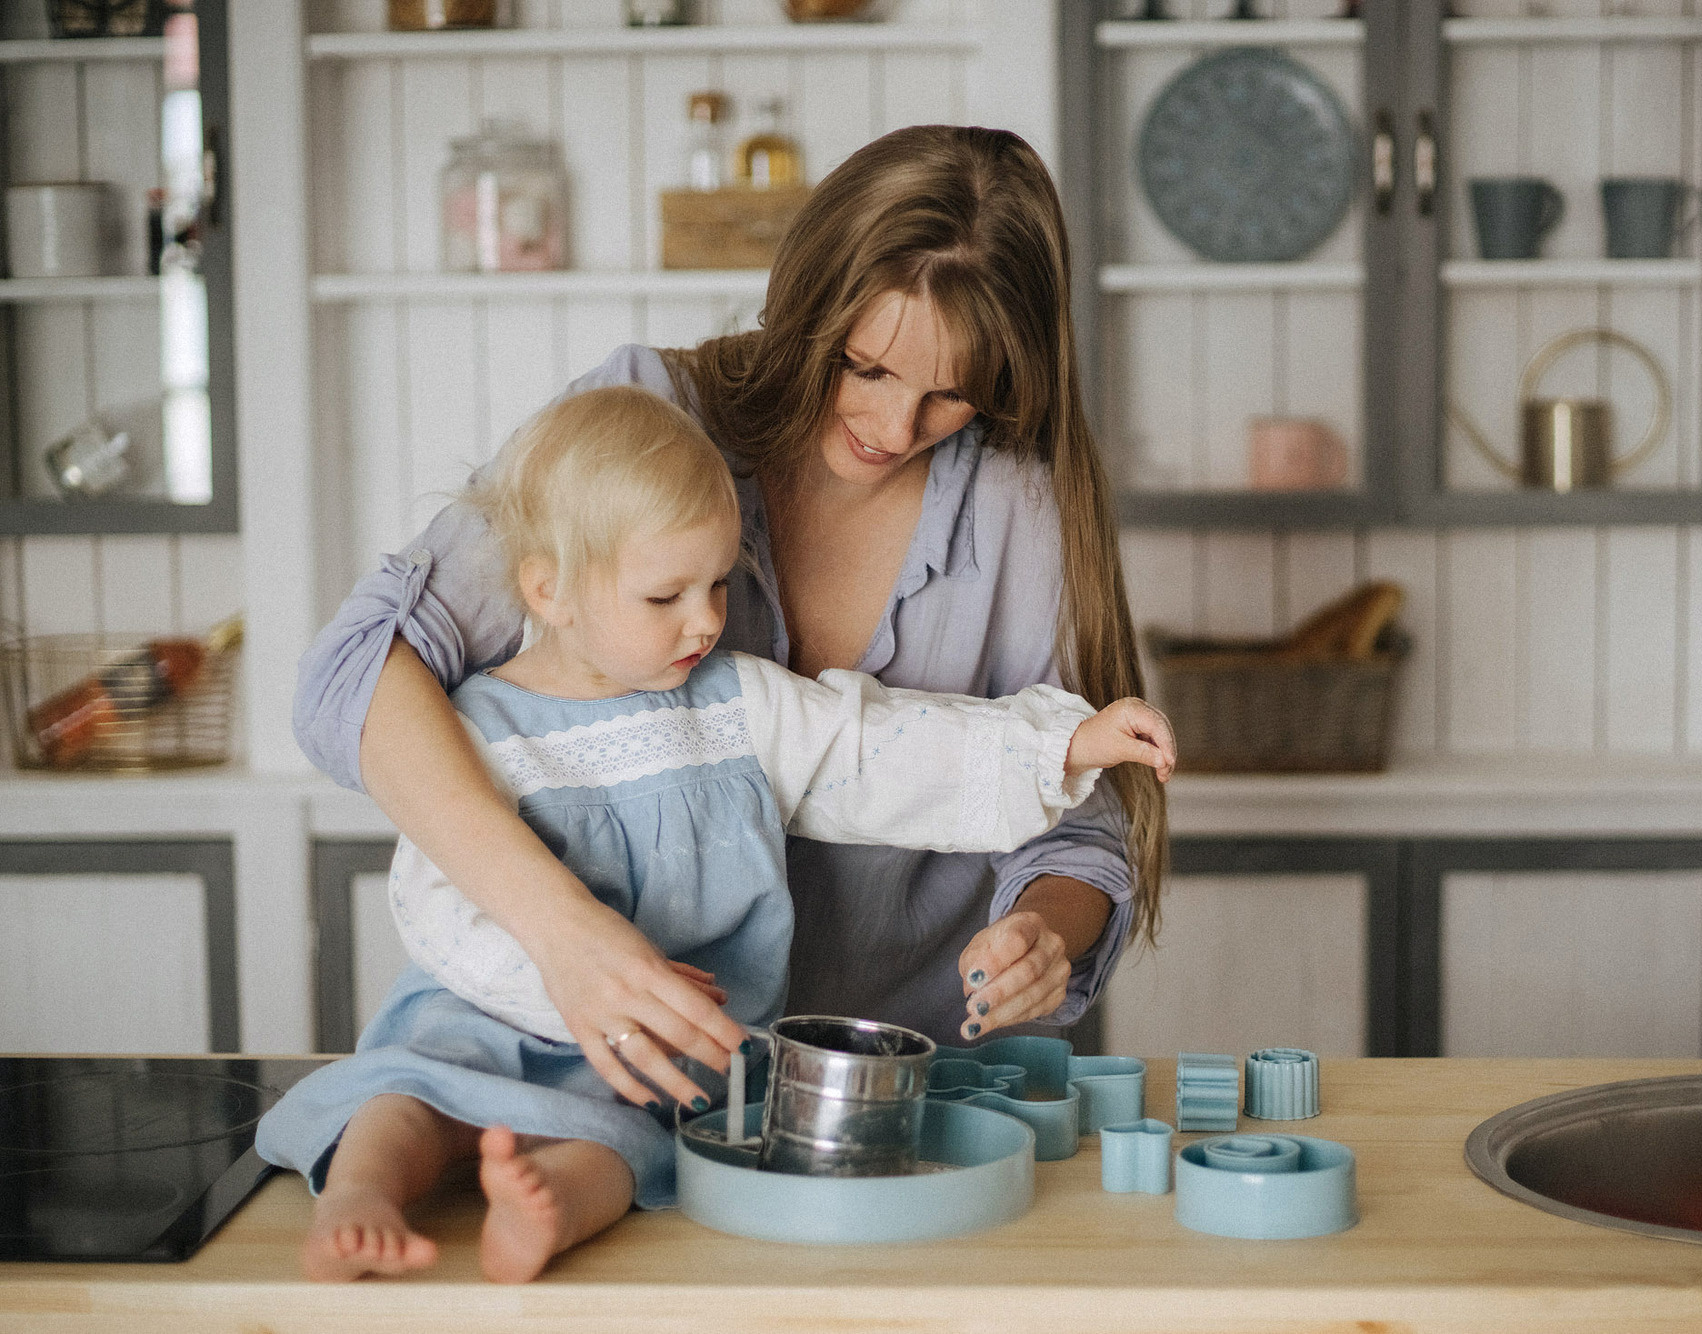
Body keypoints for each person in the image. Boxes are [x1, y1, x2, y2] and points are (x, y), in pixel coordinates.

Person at [292, 123, 1168, 1122]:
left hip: (907, 1091)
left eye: (949, 395)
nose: (892, 429)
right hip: (628, 1076)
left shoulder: (1016, 504)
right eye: (866, 368)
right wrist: (568, 938)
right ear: (805, 302)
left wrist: (1043, 932)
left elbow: (1079, 824)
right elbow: (355, 677)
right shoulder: (646, 422)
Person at [259, 385, 1175, 1283]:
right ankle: (362, 1197)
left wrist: (1062, 744)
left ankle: (542, 1207)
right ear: (551, 590)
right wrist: (580, 996)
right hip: (486, 1017)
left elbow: (888, 750)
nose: (706, 620)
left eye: (718, 584)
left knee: (625, 1149)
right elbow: (439, 906)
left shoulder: (741, 708)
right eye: (665, 597)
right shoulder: (473, 732)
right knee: (402, 1096)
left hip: (656, 1063)